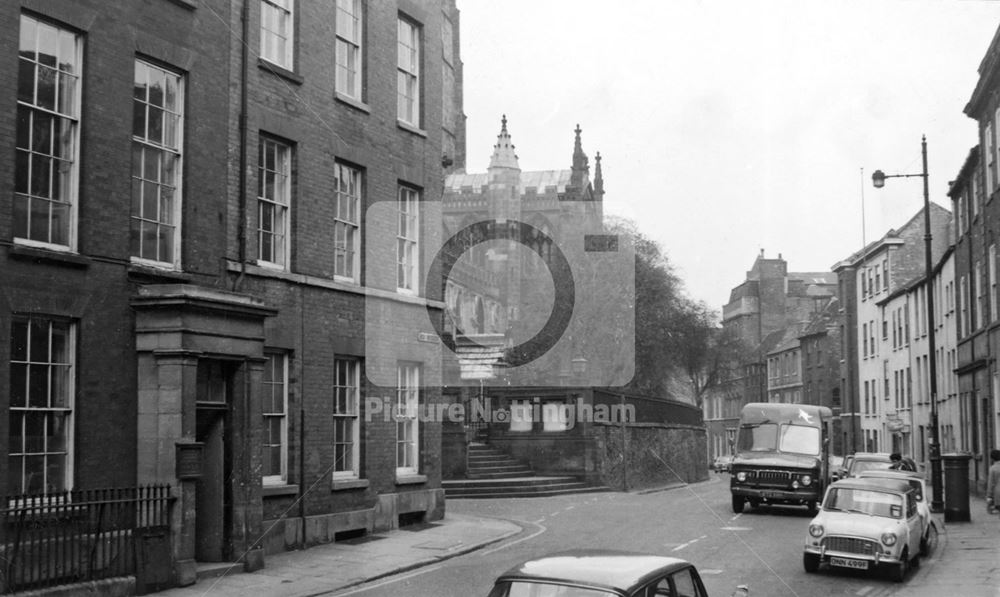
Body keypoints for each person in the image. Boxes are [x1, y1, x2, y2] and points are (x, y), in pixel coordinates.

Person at [988, 449, 1000, 515]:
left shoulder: (993, 468)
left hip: (998, 495)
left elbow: (991, 484)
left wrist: (989, 496)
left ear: (992, 459)